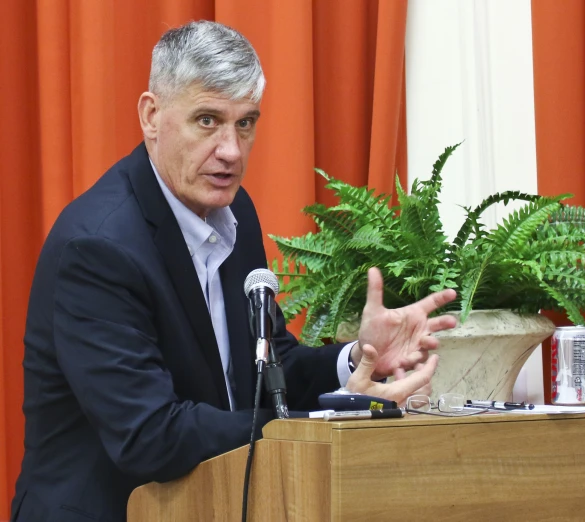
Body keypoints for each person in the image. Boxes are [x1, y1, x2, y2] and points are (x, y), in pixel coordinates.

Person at [10, 21, 456, 522]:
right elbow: (150, 435)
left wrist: (356, 358)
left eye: (245, 123)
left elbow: (268, 363)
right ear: (152, 116)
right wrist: (319, 422)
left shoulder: (235, 213)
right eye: (207, 120)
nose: (231, 151)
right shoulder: (99, 247)